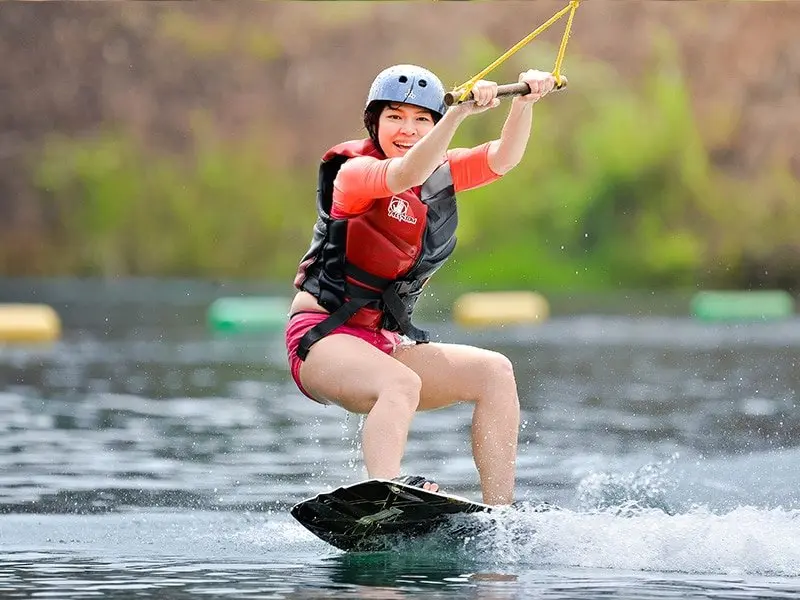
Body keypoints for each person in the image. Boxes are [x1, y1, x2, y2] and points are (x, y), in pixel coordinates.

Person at [285, 63, 556, 506]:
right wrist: (457, 114)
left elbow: (504, 157)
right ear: (374, 122)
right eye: (394, 117)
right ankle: (384, 495)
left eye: (420, 120)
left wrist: (523, 105)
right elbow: (404, 174)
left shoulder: (440, 174)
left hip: (382, 341)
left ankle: (501, 512)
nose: (407, 129)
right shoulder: (354, 173)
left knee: (494, 372)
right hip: (322, 339)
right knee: (401, 384)